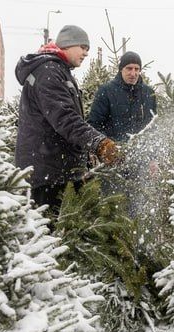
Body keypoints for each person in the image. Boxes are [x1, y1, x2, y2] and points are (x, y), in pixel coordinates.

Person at [15, 25, 120, 209]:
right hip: (48, 174)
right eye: (83, 47)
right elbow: (65, 119)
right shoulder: (48, 72)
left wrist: (86, 158)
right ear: (67, 45)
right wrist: (99, 143)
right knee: (51, 232)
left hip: (58, 171)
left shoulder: (59, 71)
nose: (86, 53)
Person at [88, 51, 157, 141]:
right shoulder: (106, 91)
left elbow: (152, 124)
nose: (133, 73)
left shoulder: (148, 93)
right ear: (121, 69)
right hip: (115, 151)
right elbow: (95, 124)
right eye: (129, 68)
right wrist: (108, 146)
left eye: (136, 69)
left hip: (142, 152)